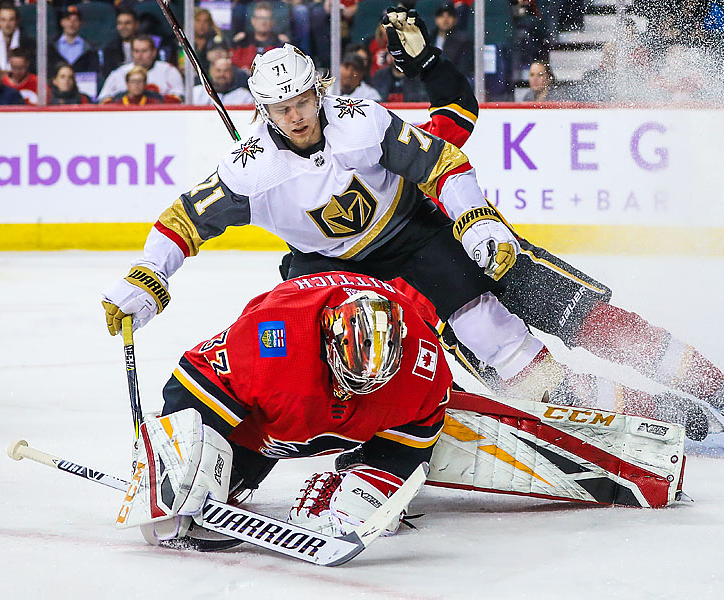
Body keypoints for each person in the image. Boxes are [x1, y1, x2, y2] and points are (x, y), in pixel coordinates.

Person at [99, 41, 578, 431]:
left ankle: (561, 407)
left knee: (481, 320)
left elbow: (440, 161)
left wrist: (476, 219)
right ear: (263, 111)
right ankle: (362, 434)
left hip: (408, 232)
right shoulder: (250, 169)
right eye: (281, 108)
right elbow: (184, 219)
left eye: (303, 102)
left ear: (319, 91)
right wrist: (147, 276)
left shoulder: (362, 120)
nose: (296, 117)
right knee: (308, 349)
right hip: (326, 265)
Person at [373, 8, 724, 436]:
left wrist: (428, 63)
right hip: (449, 313)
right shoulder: (324, 220)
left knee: (602, 325)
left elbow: (457, 109)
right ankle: (659, 411)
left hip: (505, 266)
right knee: (548, 393)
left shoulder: (393, 147)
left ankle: (719, 390)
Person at [119, 275, 451, 544]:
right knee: (186, 495)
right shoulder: (271, 339)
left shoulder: (423, 366)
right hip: (262, 427)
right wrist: (174, 453)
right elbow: (197, 373)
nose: (354, 393)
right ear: (328, 339)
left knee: (361, 506)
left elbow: (425, 417)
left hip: (338, 413)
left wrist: (381, 476)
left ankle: (359, 464)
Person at [98, 34, 184, 102]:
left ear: (154, 52)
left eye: (144, 51)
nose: (140, 55)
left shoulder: (168, 71)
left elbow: (179, 98)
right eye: (136, 51)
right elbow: (103, 100)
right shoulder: (119, 73)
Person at [231, 1, 289, 70]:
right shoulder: (242, 41)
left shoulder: (280, 43)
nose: (263, 22)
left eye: (267, 18)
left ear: (272, 22)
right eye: (260, 18)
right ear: (253, 21)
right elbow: (233, 65)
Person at [49, 5, 100, 78]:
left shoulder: (90, 48)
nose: (71, 24)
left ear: (80, 23)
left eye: (75, 20)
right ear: (62, 22)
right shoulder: (51, 46)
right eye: (68, 19)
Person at [431, 3, 473, 77]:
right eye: (441, 16)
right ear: (436, 19)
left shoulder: (463, 41)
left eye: (449, 16)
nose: (445, 20)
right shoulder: (429, 38)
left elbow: (463, 69)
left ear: (455, 20)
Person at [101, 9, 140, 78]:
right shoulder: (109, 49)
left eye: (127, 23)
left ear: (136, 25)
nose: (123, 27)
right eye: (120, 23)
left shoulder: (146, 45)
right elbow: (108, 75)